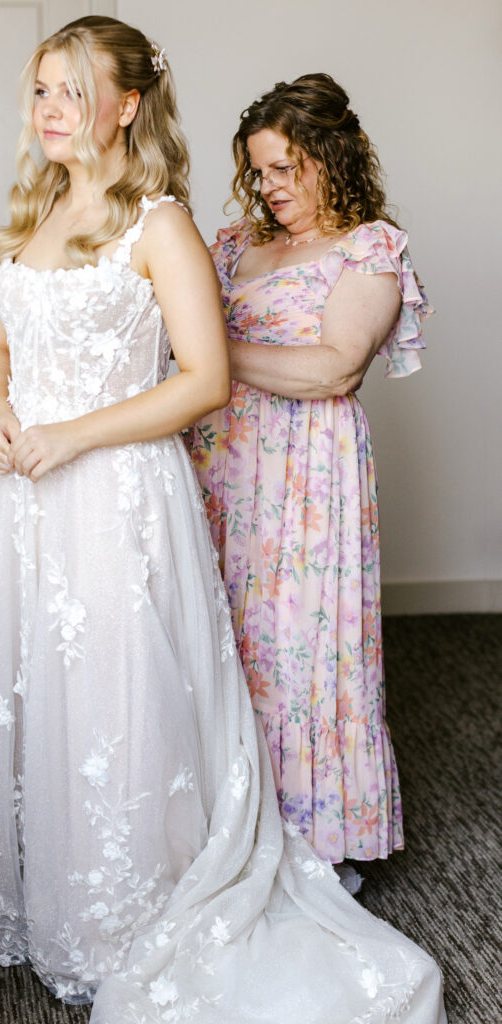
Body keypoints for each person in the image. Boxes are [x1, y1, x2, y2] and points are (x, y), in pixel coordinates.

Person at [0, 19, 446, 1022]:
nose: (49, 111)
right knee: (44, 685)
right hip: (31, 501)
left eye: (71, 91)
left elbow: (208, 376)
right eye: (41, 91)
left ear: (126, 105)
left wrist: (72, 432)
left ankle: (141, 892)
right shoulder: (37, 212)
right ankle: (55, 883)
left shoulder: (160, 225)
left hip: (117, 488)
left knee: (128, 688)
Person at [187, 74, 433, 869]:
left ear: (332, 158)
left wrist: (208, 356)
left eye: (285, 168)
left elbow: (333, 368)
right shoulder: (232, 245)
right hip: (218, 462)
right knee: (218, 633)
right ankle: (221, 825)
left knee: (296, 643)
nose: (268, 186)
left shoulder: (369, 249)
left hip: (305, 473)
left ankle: (317, 843)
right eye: (257, 171)